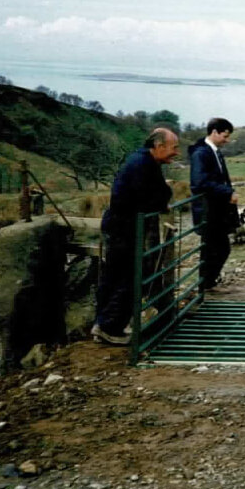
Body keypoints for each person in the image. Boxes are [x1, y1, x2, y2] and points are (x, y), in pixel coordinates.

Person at [93, 128, 177, 345]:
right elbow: (150, 199)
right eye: (173, 148)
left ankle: (103, 324)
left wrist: (161, 194)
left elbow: (154, 194)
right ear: (159, 147)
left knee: (115, 277)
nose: (175, 153)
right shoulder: (143, 165)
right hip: (124, 229)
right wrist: (163, 195)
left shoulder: (144, 161)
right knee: (128, 277)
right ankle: (110, 328)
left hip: (121, 227)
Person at [189, 118, 239, 291]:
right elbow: (199, 182)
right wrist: (227, 192)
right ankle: (205, 285)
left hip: (216, 211)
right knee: (216, 249)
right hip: (208, 211)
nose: (227, 140)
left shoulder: (214, 151)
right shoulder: (201, 153)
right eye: (225, 136)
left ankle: (207, 283)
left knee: (217, 249)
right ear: (214, 132)